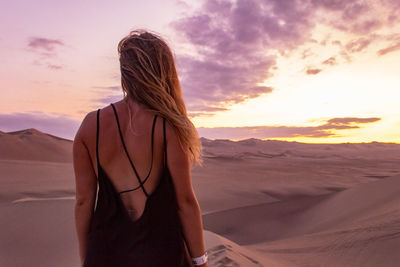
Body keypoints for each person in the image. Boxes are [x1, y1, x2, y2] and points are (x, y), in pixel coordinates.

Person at [73, 29, 208, 267]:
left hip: (104, 255)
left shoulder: (89, 126)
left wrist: (88, 258)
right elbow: (184, 202)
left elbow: (84, 202)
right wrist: (201, 262)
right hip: (161, 256)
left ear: (125, 73)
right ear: (163, 72)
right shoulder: (170, 126)